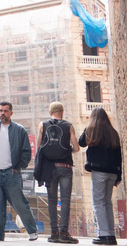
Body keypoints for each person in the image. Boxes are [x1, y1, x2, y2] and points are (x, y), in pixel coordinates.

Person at [0, 101, 38, 242]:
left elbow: (26, 151)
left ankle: (32, 231)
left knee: (20, 204)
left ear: (11, 113)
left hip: (12, 174)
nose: (2, 113)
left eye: (5, 111)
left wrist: (19, 166)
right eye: (0, 110)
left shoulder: (19, 129)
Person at [35, 102, 80, 244]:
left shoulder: (42, 125)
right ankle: (64, 233)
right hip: (65, 167)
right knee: (65, 200)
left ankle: (54, 233)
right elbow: (77, 148)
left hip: (49, 168)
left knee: (52, 200)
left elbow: (38, 147)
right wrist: (67, 151)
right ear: (63, 112)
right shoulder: (69, 126)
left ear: (50, 112)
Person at [78, 107, 121, 246]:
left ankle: (103, 234)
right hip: (113, 172)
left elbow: (81, 142)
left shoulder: (91, 130)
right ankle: (111, 235)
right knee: (107, 202)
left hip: (99, 171)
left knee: (98, 202)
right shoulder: (113, 132)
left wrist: (87, 128)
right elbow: (118, 155)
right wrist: (119, 175)